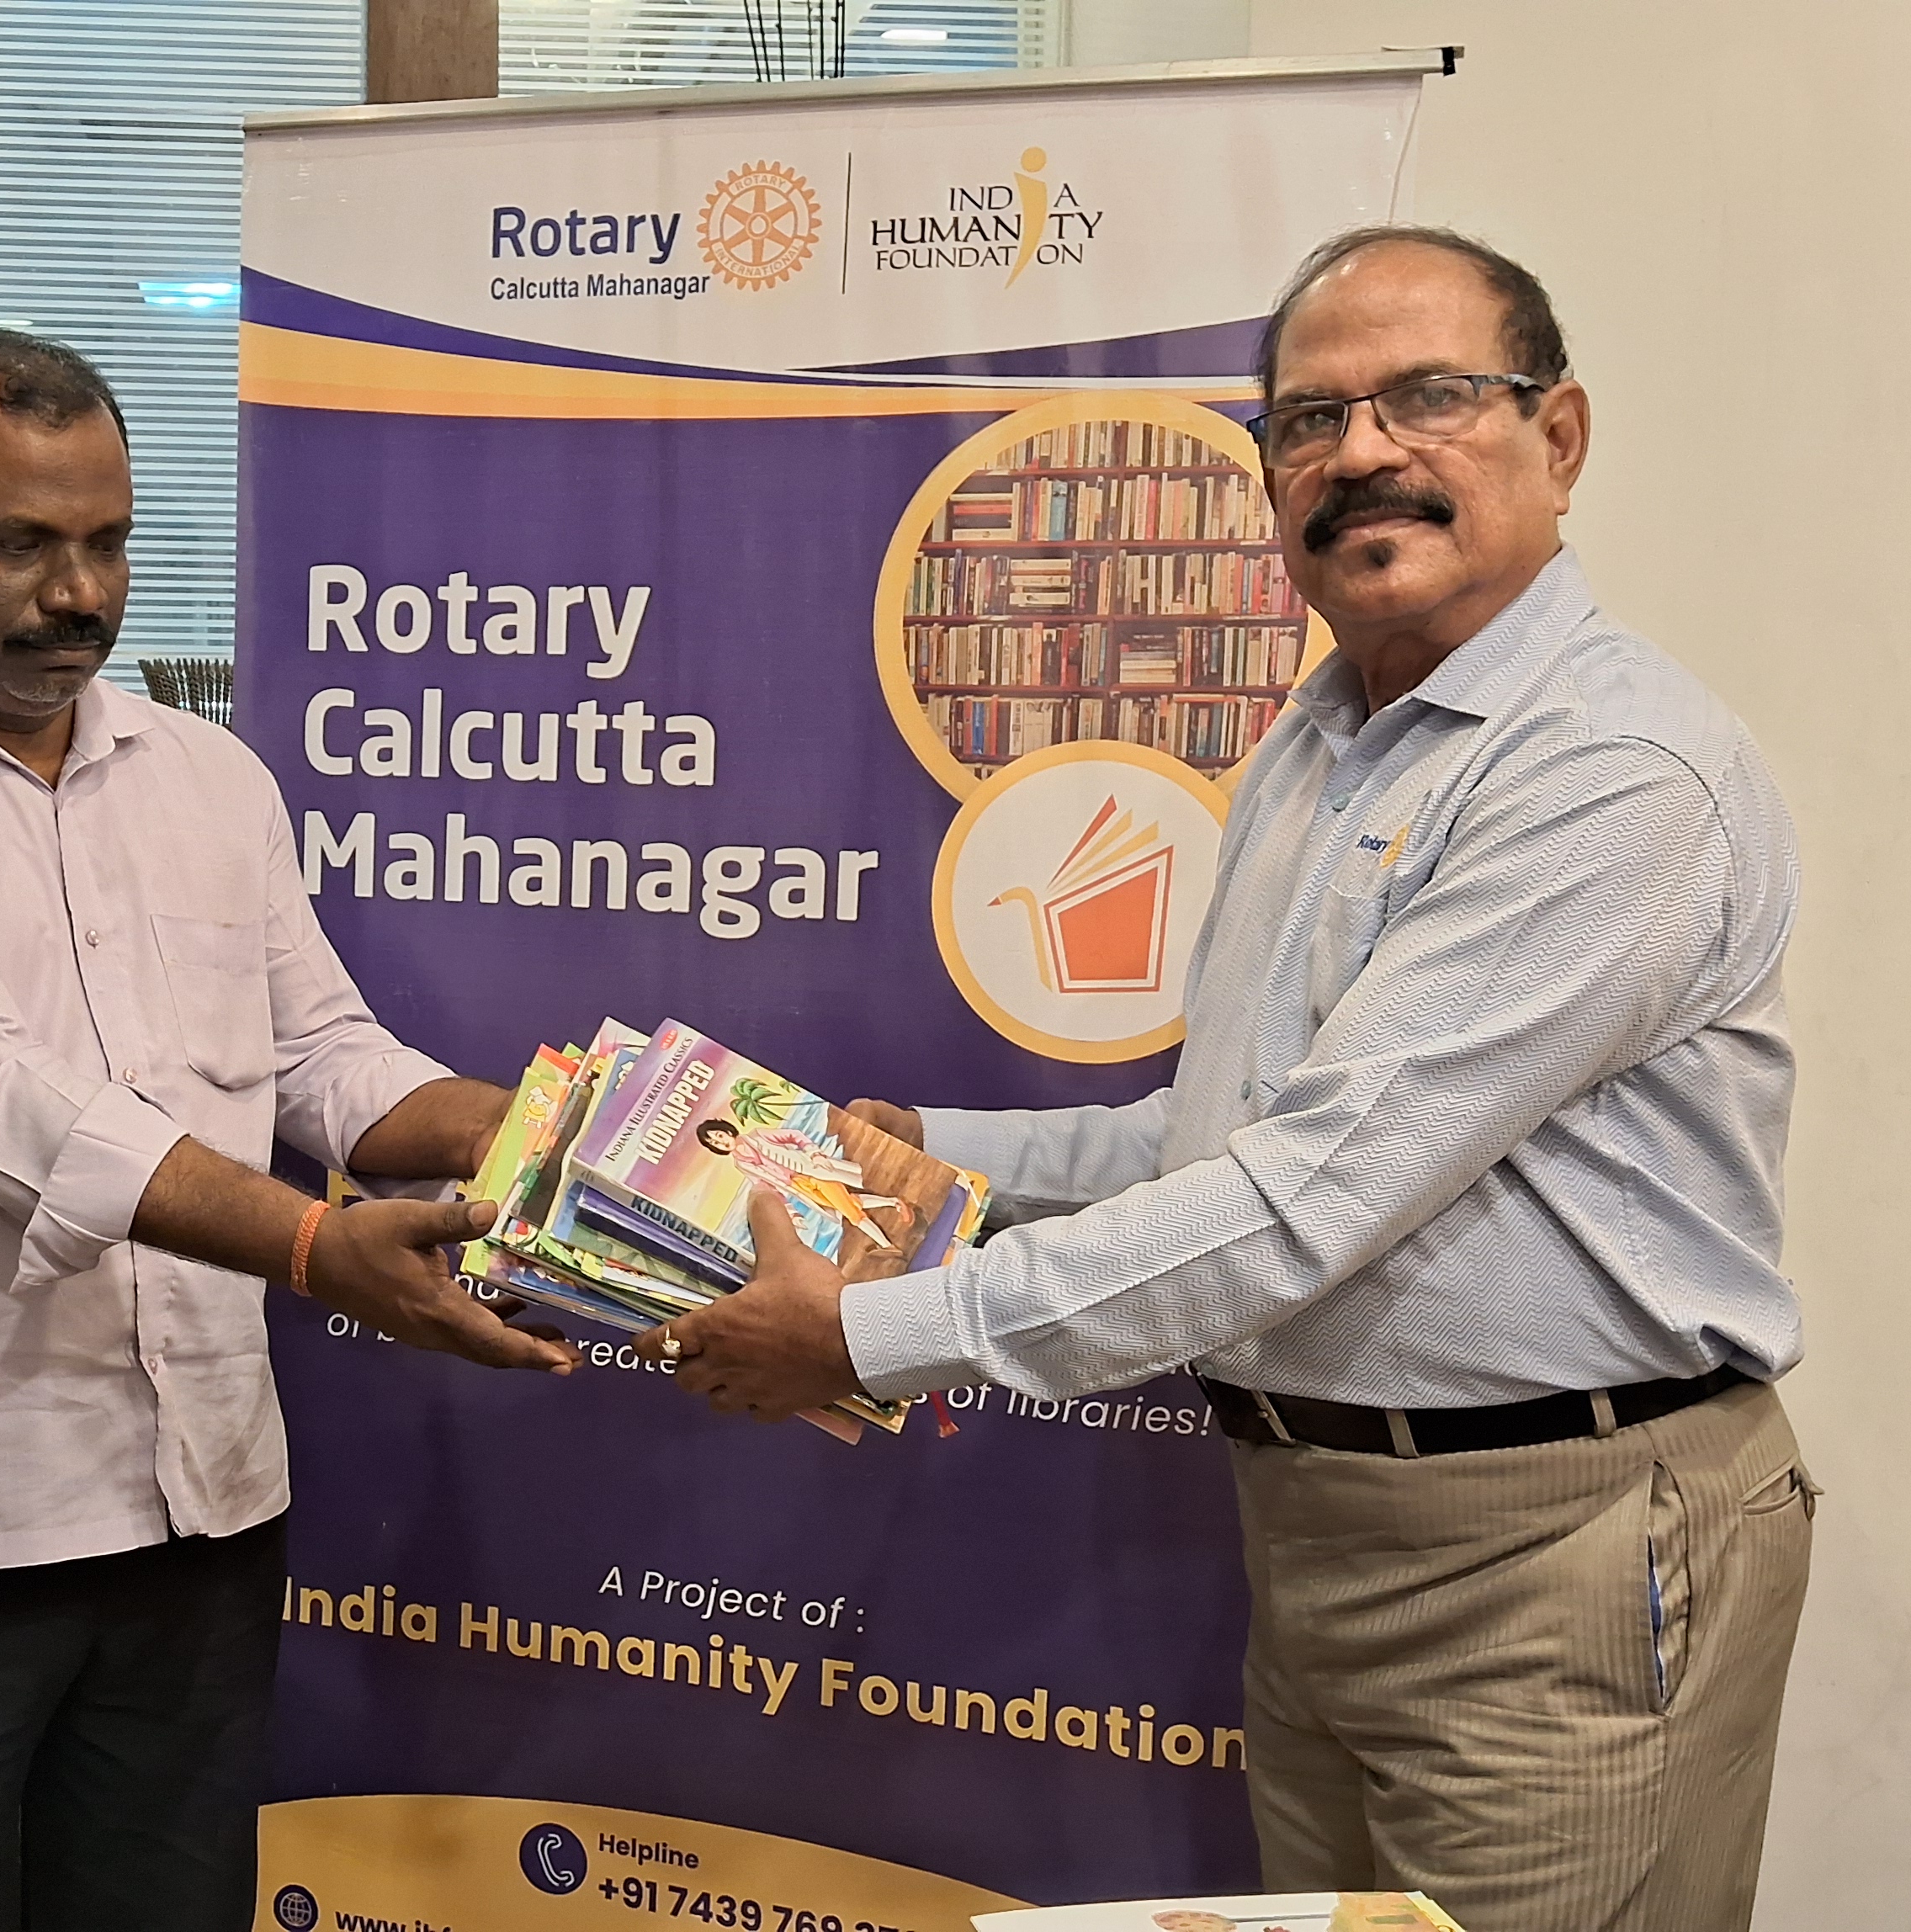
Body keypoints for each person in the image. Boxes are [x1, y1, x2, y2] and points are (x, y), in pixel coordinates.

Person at [640, 226, 1813, 1932]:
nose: (1363, 454)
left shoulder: (1609, 773)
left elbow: (1299, 1202)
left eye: (1428, 397)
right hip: (1319, 1533)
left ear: (1556, 437)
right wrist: (910, 1148)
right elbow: (1225, 1134)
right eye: (1311, 420)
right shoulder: (1322, 740)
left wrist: (870, 1331)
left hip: (1555, 1552)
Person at [0, 326, 570, 1932]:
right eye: (17, 544)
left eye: (106, 541)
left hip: (201, 1513)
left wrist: (592, 1145)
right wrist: (315, 1248)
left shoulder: (211, 778)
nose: (78, 594)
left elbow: (328, 1060)